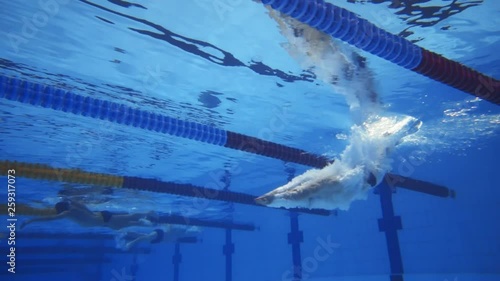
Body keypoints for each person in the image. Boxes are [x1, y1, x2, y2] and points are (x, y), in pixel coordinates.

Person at [20, 199, 158, 230]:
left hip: (104, 219)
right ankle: (147, 220)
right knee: (123, 224)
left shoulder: (68, 213)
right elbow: (83, 206)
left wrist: (30, 221)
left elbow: (49, 218)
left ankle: (148, 214)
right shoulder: (74, 208)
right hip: (102, 218)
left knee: (128, 219)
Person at [115, 224, 201, 251]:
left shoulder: (182, 235)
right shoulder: (182, 229)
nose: (192, 234)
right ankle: (130, 243)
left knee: (141, 235)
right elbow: (169, 227)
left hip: (159, 239)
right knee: (145, 237)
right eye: (194, 232)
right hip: (160, 233)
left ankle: (124, 232)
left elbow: (170, 237)